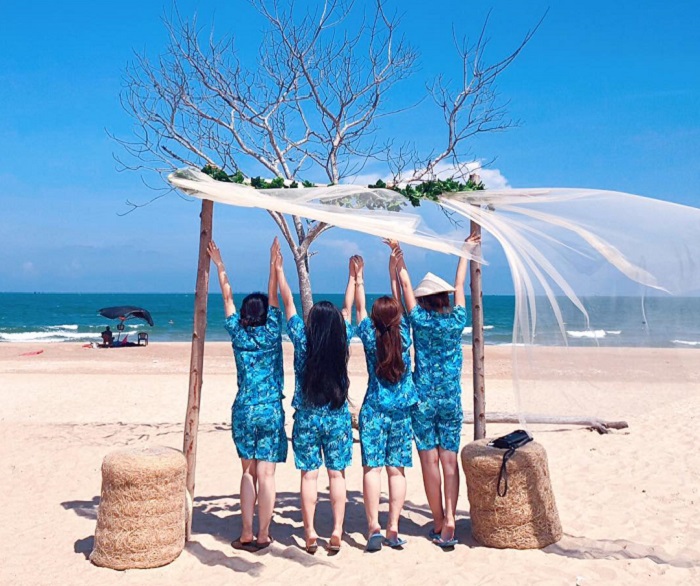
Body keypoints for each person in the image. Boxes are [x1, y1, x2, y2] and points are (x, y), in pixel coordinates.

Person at [386, 234, 480, 549]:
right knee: (449, 460)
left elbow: (404, 283)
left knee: (430, 462)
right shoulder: (457, 319)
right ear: (444, 298)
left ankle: (438, 521)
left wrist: (398, 254)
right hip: (451, 398)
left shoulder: (419, 320)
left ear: (425, 299)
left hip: (423, 399)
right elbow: (461, 283)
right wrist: (465, 252)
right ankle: (451, 518)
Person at [275, 248, 357, 555]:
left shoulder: (301, 337)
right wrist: (353, 278)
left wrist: (279, 271)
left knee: (309, 475)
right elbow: (347, 309)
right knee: (337, 474)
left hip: (307, 417)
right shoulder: (342, 337)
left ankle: (309, 532)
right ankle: (336, 530)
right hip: (336, 416)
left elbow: (288, 304)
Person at [208, 238, 286, 552]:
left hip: (244, 408)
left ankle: (245, 532)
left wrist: (220, 264)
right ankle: (263, 534)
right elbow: (274, 295)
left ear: (244, 313)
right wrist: (273, 264)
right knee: (266, 474)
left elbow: (227, 297)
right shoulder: (272, 331)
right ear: (266, 313)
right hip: (270, 409)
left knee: (247, 472)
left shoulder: (238, 334)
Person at [354, 254, 419, 552]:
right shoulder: (404, 334)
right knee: (397, 470)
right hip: (402, 412)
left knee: (372, 469)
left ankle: (373, 528)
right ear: (396, 318)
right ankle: (393, 527)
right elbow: (401, 302)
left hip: (374, 410)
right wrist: (394, 268)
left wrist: (359, 277)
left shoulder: (370, 335)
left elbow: (359, 309)